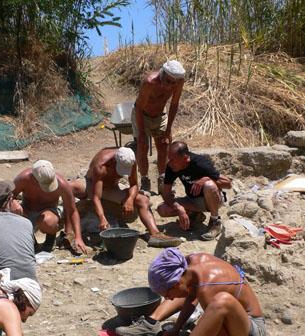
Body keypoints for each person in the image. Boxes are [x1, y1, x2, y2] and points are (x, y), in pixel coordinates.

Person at [138, 248, 266, 336]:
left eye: (167, 294)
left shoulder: (208, 287)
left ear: (177, 283)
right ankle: (150, 323)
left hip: (252, 334)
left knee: (222, 301)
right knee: (190, 293)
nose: (168, 298)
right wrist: (176, 329)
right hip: (235, 321)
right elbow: (191, 296)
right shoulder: (190, 264)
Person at [71, 146, 183, 248]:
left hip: (112, 187)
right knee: (73, 187)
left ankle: (155, 234)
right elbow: (96, 197)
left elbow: (134, 184)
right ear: (114, 160)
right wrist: (102, 218)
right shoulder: (101, 165)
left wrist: (130, 199)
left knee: (143, 200)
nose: (121, 174)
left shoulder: (130, 159)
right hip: (93, 185)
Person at [157, 141, 232, 240]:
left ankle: (215, 221)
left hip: (213, 200)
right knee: (162, 209)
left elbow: (228, 184)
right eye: (169, 158)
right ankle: (196, 215)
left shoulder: (200, 163)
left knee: (209, 185)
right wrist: (179, 208)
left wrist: (206, 179)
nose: (169, 163)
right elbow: (166, 194)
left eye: (172, 160)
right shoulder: (172, 167)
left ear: (185, 158)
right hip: (193, 201)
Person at [132, 60, 185, 195]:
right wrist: (142, 133)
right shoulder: (149, 82)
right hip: (142, 114)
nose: (170, 86)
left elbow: (174, 104)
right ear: (162, 74)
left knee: (164, 146)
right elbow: (139, 107)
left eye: (173, 83)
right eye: (168, 82)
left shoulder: (178, 82)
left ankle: (163, 178)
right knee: (142, 146)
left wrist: (168, 130)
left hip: (161, 115)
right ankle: (144, 180)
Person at [13, 160, 88, 254]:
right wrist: (14, 202)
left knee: (48, 221)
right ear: (34, 177)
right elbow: (9, 196)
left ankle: (50, 240)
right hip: (27, 210)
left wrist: (78, 237)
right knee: (12, 210)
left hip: (49, 211)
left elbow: (72, 210)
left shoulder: (62, 183)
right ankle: (32, 243)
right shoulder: (23, 178)